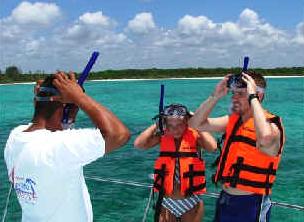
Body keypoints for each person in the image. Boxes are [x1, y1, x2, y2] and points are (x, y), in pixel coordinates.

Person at [4, 72, 130, 222]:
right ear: (63, 106)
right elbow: (119, 134)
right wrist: (80, 98)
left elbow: (45, 126)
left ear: (37, 102)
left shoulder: (15, 137)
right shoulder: (58, 147)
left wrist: (66, 120)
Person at [188, 71, 285, 222]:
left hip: (251, 203)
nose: (233, 97)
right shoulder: (232, 122)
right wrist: (215, 96)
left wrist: (253, 98)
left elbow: (265, 139)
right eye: (233, 93)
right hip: (226, 200)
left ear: (258, 96)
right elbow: (195, 124)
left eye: (240, 93)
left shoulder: (272, 126)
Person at [134, 103, 217, 222]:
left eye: (179, 125)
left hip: (190, 201)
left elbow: (212, 147)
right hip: (166, 201)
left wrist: (196, 122)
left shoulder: (195, 136)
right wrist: (157, 124)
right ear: (165, 125)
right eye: (170, 125)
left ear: (187, 122)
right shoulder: (163, 136)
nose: (175, 129)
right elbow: (139, 144)